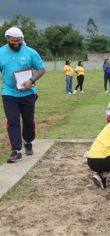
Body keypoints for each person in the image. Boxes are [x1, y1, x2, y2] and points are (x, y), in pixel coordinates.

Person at [0, 27, 46, 163]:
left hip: (28, 93)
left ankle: (28, 141)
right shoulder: (1, 53)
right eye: (13, 41)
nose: (16, 43)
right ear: (7, 38)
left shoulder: (30, 52)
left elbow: (41, 69)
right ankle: (16, 150)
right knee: (12, 120)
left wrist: (31, 80)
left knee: (28, 121)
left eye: (18, 41)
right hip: (8, 93)